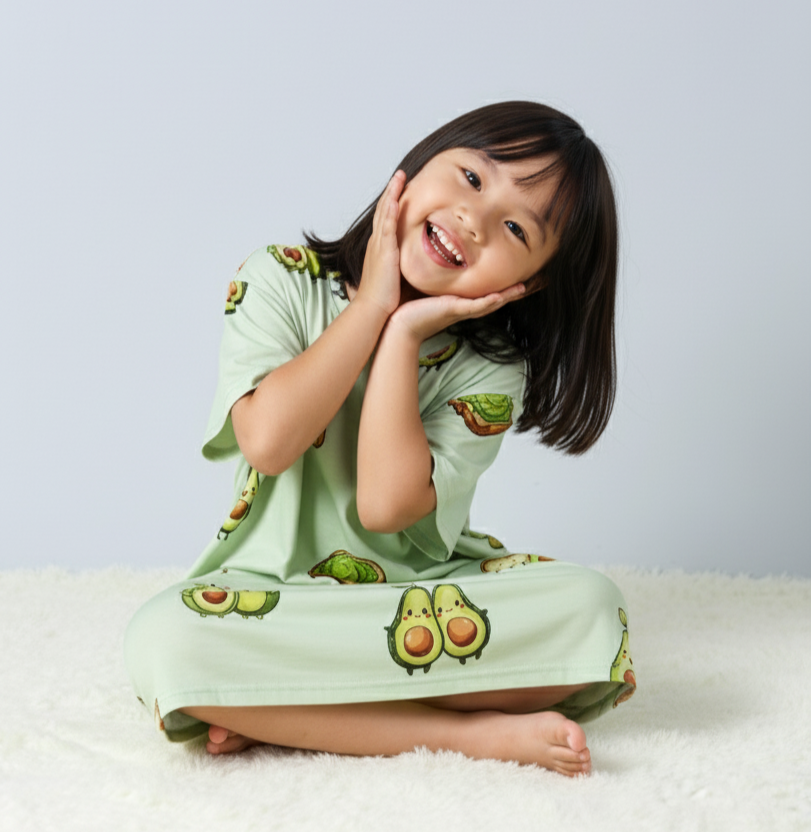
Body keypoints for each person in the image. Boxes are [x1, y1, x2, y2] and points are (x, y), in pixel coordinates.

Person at [123, 101, 636, 778]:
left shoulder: (493, 369)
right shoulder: (281, 278)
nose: (472, 221)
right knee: (163, 639)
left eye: (515, 227)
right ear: (419, 166)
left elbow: (386, 509)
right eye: (473, 179)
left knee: (594, 611)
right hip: (276, 596)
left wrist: (402, 335)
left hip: (425, 595)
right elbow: (269, 443)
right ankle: (468, 735)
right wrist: (371, 306)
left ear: (527, 283)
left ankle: (285, 708)